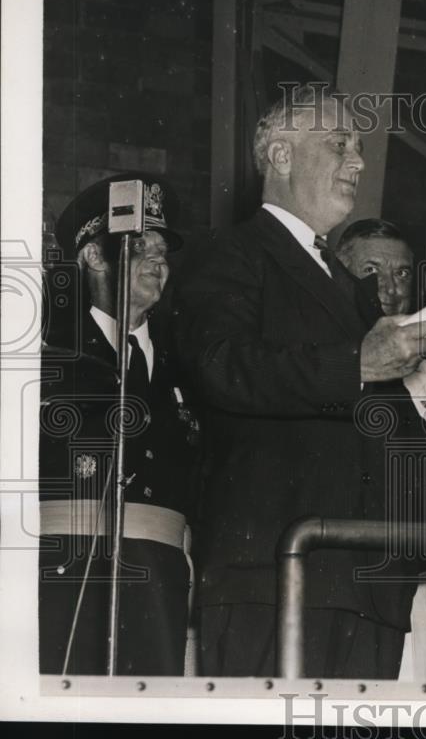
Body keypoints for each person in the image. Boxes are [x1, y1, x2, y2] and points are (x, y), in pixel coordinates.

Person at [172, 87, 426, 679]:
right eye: (339, 143)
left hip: (370, 590)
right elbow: (222, 365)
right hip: (274, 580)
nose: (358, 161)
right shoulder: (230, 253)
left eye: (359, 147)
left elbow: (391, 421)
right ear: (280, 155)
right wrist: (353, 365)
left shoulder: (346, 286)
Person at [39, 173, 199, 675]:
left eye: (163, 251)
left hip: (162, 580)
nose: (158, 260)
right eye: (139, 246)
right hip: (67, 575)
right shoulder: (46, 355)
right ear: (93, 256)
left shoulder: (189, 359)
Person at [335, 218, 426, 681]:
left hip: (421, 598)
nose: (389, 286)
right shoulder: (319, 366)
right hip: (342, 589)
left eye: (401, 273)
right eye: (372, 270)